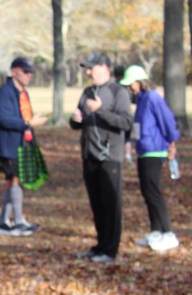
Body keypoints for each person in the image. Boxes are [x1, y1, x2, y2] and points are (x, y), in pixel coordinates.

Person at [69, 52, 133, 263]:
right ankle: (100, 245)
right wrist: (76, 120)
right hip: (90, 155)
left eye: (91, 68)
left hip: (110, 156)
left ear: (105, 67)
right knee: (96, 204)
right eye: (86, 69)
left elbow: (125, 122)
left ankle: (110, 249)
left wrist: (101, 110)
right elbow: (78, 121)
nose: (88, 72)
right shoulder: (88, 92)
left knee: (110, 204)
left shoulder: (118, 92)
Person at [119, 65, 181, 252]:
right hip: (143, 150)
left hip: (154, 151)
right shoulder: (141, 100)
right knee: (146, 191)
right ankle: (156, 231)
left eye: (132, 84)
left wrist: (172, 143)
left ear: (140, 82)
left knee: (153, 192)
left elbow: (167, 121)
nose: (130, 88)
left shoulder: (153, 98)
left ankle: (168, 233)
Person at [0, 56, 48, 236]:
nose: (29, 75)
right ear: (14, 72)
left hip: (21, 142)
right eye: (26, 72)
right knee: (15, 179)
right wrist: (28, 123)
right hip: (8, 144)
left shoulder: (22, 93)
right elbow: (4, 119)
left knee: (11, 181)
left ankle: (3, 222)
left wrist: (31, 124)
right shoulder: (5, 92)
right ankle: (18, 221)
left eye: (31, 72)